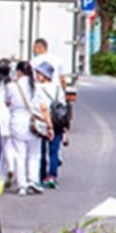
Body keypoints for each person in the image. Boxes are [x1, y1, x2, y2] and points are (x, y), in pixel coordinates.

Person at [0, 60, 43, 196]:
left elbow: (7, 102)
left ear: (19, 72)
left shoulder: (12, 86)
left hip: (17, 121)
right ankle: (33, 180)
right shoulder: (36, 86)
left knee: (19, 154)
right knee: (34, 154)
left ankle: (21, 185)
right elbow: (41, 105)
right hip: (35, 122)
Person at [31, 57, 68, 188]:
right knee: (54, 151)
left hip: (43, 122)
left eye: (39, 73)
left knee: (41, 151)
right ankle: (52, 176)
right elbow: (63, 106)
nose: (37, 76)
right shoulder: (58, 89)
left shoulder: (37, 88)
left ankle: (42, 175)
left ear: (44, 75)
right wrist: (65, 128)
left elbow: (39, 106)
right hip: (57, 121)